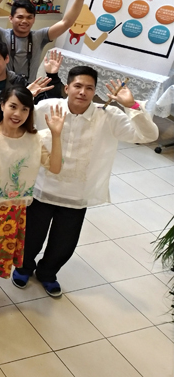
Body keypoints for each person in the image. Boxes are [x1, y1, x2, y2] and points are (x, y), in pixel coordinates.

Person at [13, 67, 159, 297]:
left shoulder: (107, 115)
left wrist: (132, 106)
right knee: (31, 234)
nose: (82, 92)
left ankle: (47, 273)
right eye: (78, 86)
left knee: (64, 242)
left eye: (89, 88)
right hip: (42, 187)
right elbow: (13, 124)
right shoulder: (46, 108)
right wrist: (25, 98)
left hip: (77, 193)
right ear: (67, 88)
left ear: (95, 92)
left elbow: (148, 135)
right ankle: (23, 267)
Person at [0, 89, 65, 313]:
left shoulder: (34, 139)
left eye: (25, 109)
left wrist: (56, 135)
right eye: (13, 106)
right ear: (2, 105)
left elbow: (55, 167)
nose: (18, 114)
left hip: (13, 209)